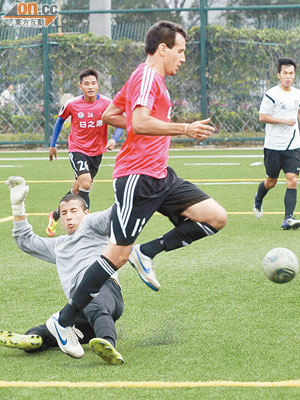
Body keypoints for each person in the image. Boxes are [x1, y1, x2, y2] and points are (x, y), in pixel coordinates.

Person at [46, 20, 227, 358]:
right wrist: (185, 128)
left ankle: (149, 251)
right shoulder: (146, 76)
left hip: (161, 175)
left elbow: (113, 114)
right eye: (180, 50)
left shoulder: (145, 78)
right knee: (117, 255)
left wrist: (138, 120)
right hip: (137, 178)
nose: (183, 58)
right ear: (163, 49)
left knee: (215, 217)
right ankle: (63, 320)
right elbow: (139, 122)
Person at [4, 176, 124, 364]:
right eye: (64, 212)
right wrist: (18, 207)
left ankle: (108, 345)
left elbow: (116, 212)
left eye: (74, 211)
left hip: (106, 290)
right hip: (77, 306)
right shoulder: (58, 246)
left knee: (95, 305)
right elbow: (25, 241)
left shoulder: (93, 225)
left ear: (86, 213)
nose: (68, 216)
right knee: (52, 329)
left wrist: (131, 184)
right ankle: (31, 338)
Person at [46, 68, 123, 237]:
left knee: (77, 189)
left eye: (93, 83)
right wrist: (53, 145)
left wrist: (114, 139)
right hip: (78, 149)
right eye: (86, 83)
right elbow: (59, 122)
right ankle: (85, 226)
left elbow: (120, 121)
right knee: (86, 183)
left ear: (98, 85)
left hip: (97, 152)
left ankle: (55, 215)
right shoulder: (72, 104)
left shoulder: (107, 104)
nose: (90, 86)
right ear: (80, 86)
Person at [253, 58, 300, 230]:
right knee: (271, 181)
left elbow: (298, 113)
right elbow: (262, 117)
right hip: (273, 146)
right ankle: (258, 198)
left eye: (291, 73)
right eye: (285, 73)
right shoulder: (271, 94)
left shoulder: (297, 93)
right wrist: (283, 121)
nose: (288, 77)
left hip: (293, 145)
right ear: (279, 75)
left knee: (292, 179)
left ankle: (288, 218)